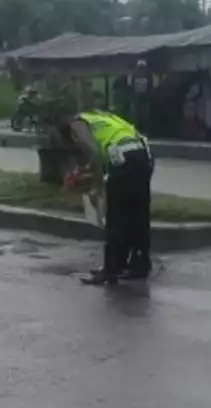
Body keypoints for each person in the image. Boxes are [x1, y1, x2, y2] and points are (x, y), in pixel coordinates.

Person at [62, 109, 154, 285]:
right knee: (138, 216)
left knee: (116, 218)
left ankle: (111, 270)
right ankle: (139, 265)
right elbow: (103, 154)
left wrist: (97, 190)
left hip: (124, 161)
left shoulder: (77, 124)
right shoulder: (103, 118)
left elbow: (95, 152)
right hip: (142, 156)